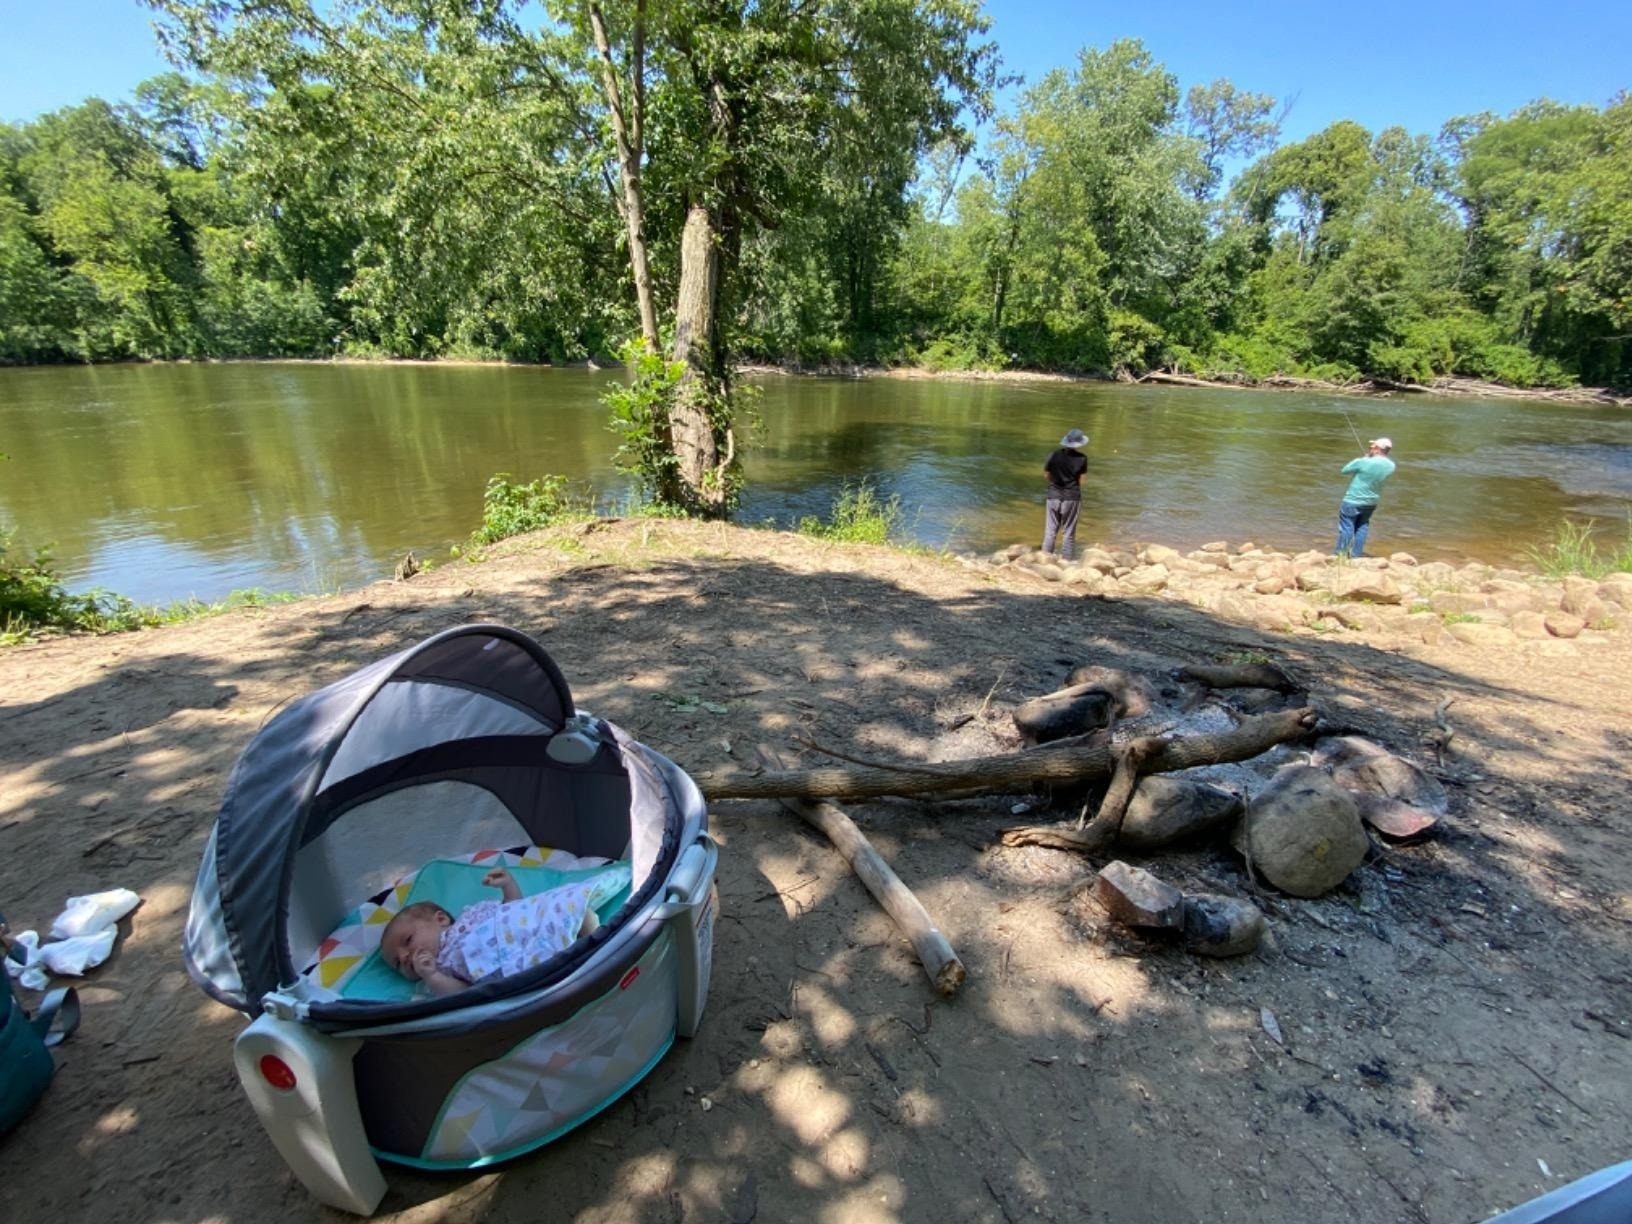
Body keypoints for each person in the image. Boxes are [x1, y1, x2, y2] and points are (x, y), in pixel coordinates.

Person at [380, 865, 625, 995]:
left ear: (441, 919)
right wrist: (432, 977)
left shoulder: (471, 916)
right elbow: (462, 993)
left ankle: (590, 931)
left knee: (559, 911)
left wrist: (508, 885)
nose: (405, 957)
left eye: (408, 940)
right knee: (552, 960)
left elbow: (512, 911)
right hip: (516, 966)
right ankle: (585, 946)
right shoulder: (438, 972)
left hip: (524, 933)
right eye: (397, 964)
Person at [1334, 437, 1396, 558]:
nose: (1370, 448)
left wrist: (1363, 459)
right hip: (1371, 502)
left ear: (1378, 449)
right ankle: (1356, 554)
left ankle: (1340, 554)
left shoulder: (1364, 461)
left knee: (1347, 527)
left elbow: (1345, 470)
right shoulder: (1391, 465)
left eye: (1372, 447)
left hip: (1353, 500)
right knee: (1362, 526)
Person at [1042, 428, 1090, 560]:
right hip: (1072, 497)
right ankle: (1067, 562)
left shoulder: (1053, 455)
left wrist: (1056, 483)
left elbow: (1046, 474)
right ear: (1079, 443)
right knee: (1068, 532)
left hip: (1053, 496)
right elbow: (1081, 481)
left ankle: (1045, 559)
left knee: (1050, 531)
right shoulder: (1082, 459)